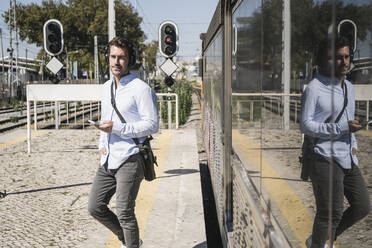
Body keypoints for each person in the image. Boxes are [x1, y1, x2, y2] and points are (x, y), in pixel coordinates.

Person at [88, 37, 159, 248]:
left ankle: (131, 244)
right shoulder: (106, 87)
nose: (116, 62)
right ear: (108, 58)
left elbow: (152, 124)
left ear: (129, 60)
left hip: (131, 156)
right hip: (108, 158)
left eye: (121, 57)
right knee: (95, 206)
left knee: (125, 212)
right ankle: (130, 240)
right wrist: (102, 144)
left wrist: (118, 128)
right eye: (113, 57)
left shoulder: (141, 89)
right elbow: (105, 118)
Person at [300, 36, 370, 248]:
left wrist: (354, 146)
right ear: (323, 60)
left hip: (347, 156)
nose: (344, 62)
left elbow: (347, 121)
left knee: (362, 206)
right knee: (330, 213)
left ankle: (321, 240)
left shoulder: (349, 87)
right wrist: (340, 129)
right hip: (324, 156)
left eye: (347, 56)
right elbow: (305, 125)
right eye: (337, 58)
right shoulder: (314, 88)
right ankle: (318, 244)